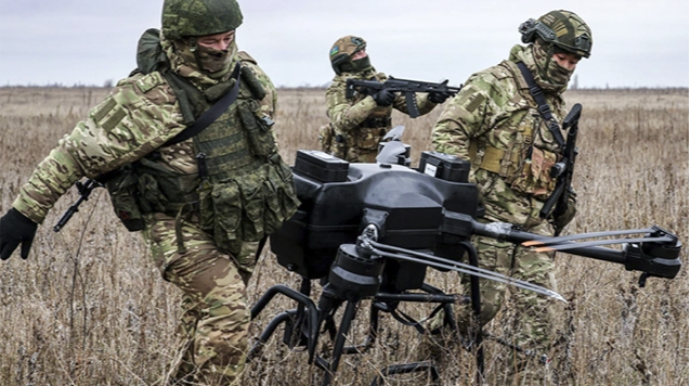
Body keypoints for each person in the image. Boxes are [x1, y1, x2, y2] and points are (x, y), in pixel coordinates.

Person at [0, 0, 299, 385]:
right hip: (178, 225)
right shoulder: (148, 99)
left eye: (228, 38)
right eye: (211, 41)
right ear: (182, 42)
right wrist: (24, 214)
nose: (223, 49)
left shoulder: (250, 77)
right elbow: (73, 154)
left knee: (202, 319)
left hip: (237, 217)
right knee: (228, 315)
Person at [428, 9, 592, 383]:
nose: (567, 67)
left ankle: (525, 377)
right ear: (538, 46)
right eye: (561, 57)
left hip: (534, 224)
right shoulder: (492, 83)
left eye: (573, 61)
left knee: (541, 314)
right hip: (489, 221)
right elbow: (447, 133)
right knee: (482, 305)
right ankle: (432, 357)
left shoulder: (552, 100)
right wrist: (469, 194)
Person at [319, 35, 450, 163]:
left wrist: (431, 99)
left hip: (383, 153)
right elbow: (341, 121)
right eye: (357, 54)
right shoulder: (338, 89)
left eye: (364, 51)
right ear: (345, 63)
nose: (364, 55)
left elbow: (412, 108)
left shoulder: (379, 81)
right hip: (352, 156)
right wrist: (374, 100)